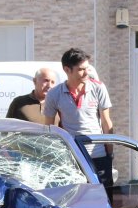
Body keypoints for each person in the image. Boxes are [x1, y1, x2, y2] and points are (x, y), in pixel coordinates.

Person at [44, 48, 114, 187]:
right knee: (76, 200)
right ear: (67, 70)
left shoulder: (98, 88)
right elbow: (49, 129)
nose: (86, 73)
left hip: (98, 154)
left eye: (87, 68)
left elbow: (106, 122)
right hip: (72, 157)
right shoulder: (54, 94)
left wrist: (109, 154)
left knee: (105, 199)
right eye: (81, 69)